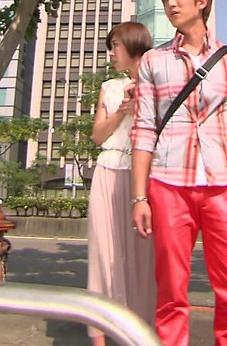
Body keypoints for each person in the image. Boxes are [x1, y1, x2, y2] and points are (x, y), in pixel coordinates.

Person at [131, 0, 227, 345]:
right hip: (168, 184)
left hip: (225, 184)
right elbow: (143, 130)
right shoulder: (153, 61)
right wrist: (139, 196)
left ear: (202, 1)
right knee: (171, 289)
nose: (171, 3)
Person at [86, 22, 154, 345]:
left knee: (143, 255)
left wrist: (140, 107)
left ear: (133, 45)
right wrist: (121, 112)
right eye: (110, 47)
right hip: (108, 169)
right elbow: (97, 136)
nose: (111, 53)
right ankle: (98, 333)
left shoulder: (157, 84)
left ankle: (141, 329)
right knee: (103, 251)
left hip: (143, 175)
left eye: (115, 46)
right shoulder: (110, 87)